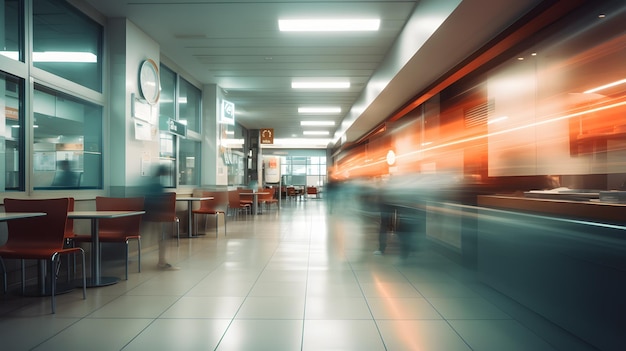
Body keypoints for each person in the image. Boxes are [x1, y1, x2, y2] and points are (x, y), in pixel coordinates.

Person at [143, 164, 179, 270]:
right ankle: (162, 262)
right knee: (162, 237)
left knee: (161, 237)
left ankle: (162, 261)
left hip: (148, 214)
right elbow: (160, 201)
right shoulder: (157, 185)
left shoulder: (151, 182)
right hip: (157, 215)